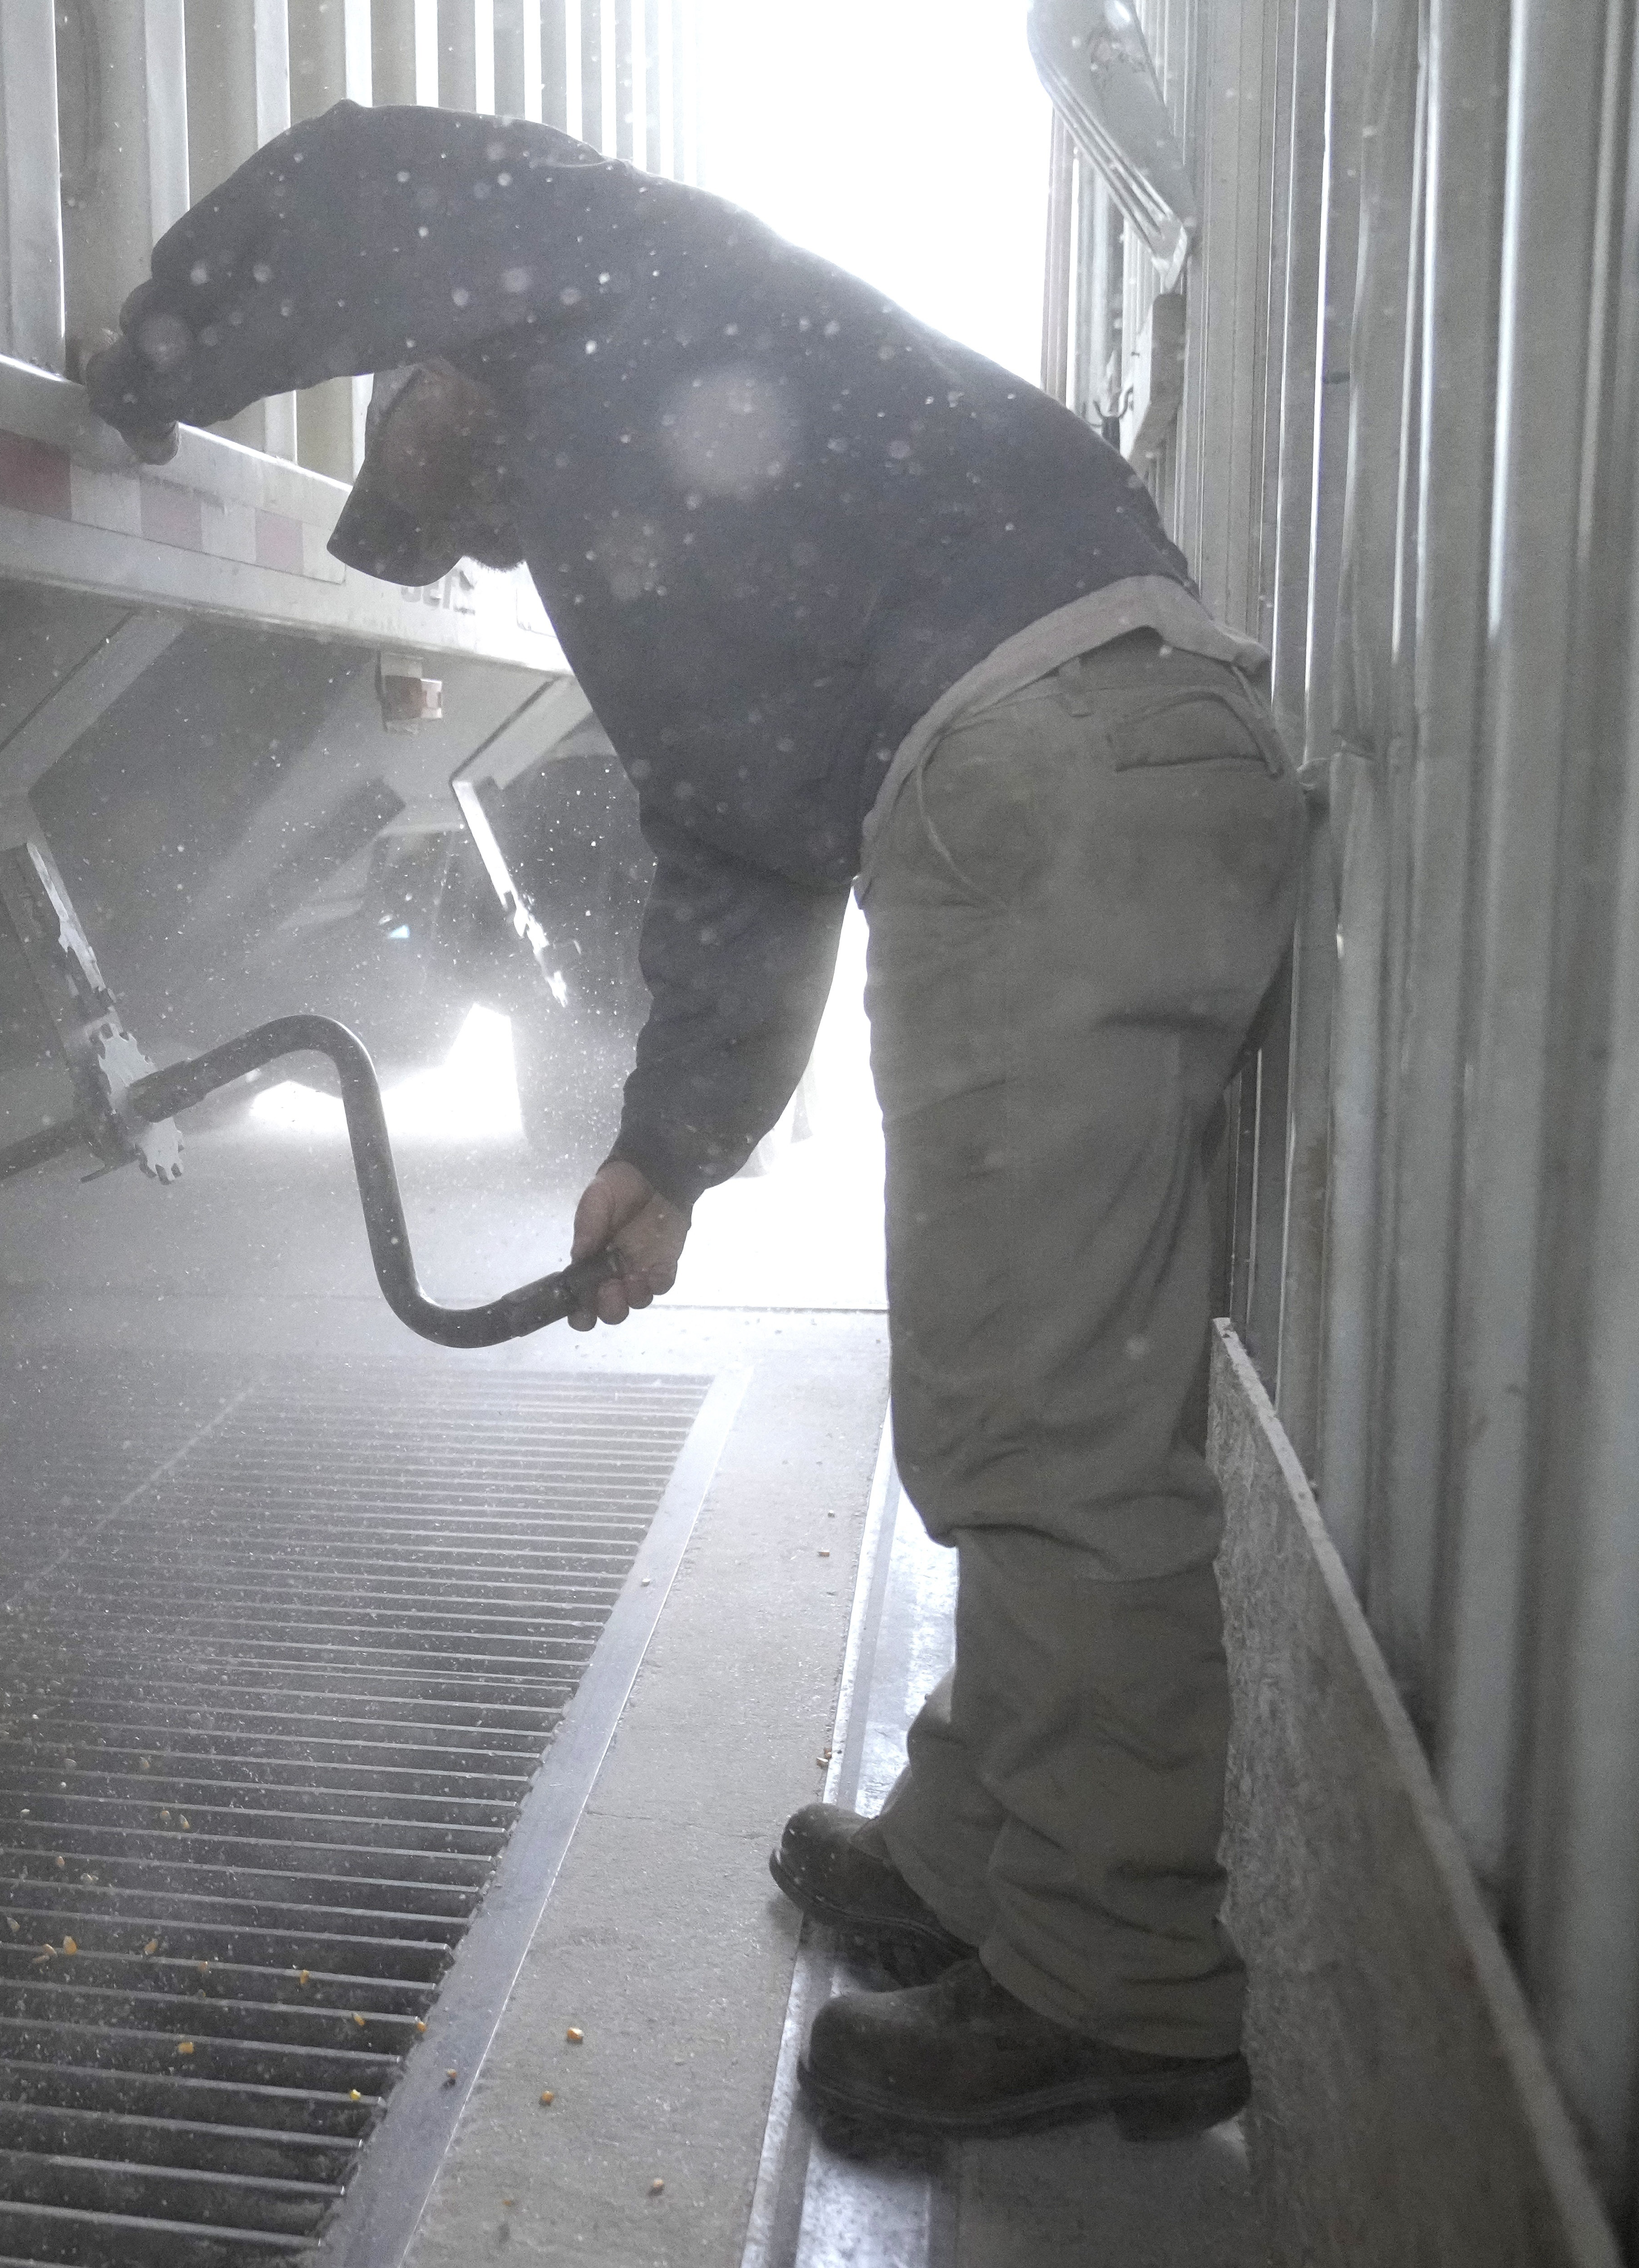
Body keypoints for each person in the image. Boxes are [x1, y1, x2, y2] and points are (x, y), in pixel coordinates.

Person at [87, 101, 1301, 2145]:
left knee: (1046, 1427)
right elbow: (753, 844)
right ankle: (976, 1847)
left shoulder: (595, 308)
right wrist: (672, 1160)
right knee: (1030, 1374)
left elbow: (358, 178)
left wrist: (156, 356)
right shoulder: (705, 383)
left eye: (443, 496)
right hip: (1115, 746)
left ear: (439, 375)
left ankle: (1120, 1983)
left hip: (1044, 775)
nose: (482, 553)